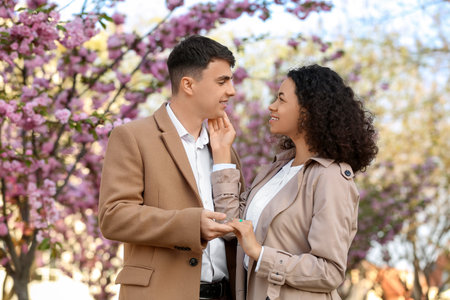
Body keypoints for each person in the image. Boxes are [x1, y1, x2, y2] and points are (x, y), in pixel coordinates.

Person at [208, 64, 378, 300]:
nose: (272, 106)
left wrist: (260, 253)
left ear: (307, 112)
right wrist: (221, 153)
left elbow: (329, 271)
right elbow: (231, 224)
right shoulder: (275, 171)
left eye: (281, 99)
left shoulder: (330, 178)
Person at [98, 35, 245, 300]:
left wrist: (224, 160)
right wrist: (190, 225)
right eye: (222, 81)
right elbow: (114, 216)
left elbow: (238, 221)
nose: (232, 90)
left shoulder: (225, 146)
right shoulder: (132, 136)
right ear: (188, 85)